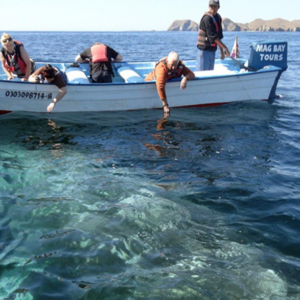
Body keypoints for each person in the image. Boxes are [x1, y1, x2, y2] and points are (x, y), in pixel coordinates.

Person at [145, 51, 195, 116]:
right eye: (172, 65)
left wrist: (185, 78)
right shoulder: (162, 68)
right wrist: (165, 105)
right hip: (149, 83)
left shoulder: (180, 66)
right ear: (168, 62)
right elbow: (160, 86)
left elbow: (192, 74)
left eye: (175, 65)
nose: (174, 67)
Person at [196, 0, 230, 71]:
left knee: (209, 73)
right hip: (204, 50)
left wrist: (221, 52)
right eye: (211, 6)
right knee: (202, 74)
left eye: (215, 6)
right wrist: (225, 48)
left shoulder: (218, 17)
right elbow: (213, 37)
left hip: (212, 50)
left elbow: (219, 36)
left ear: (218, 7)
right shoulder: (207, 19)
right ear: (208, 7)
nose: (213, 9)